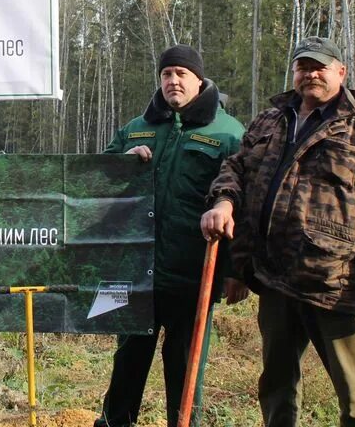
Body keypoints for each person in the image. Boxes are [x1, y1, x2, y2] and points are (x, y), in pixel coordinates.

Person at [200, 36, 355, 427]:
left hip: (336, 284)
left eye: (320, 67)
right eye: (303, 66)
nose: (310, 74)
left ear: (341, 72)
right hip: (274, 278)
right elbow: (236, 171)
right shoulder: (271, 120)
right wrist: (225, 206)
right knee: (276, 388)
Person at [95, 45, 245, 427]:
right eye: (166, 75)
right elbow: (96, 180)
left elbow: (244, 203)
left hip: (192, 275)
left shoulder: (228, 134)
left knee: (185, 367)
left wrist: (237, 269)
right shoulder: (136, 128)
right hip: (137, 274)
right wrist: (121, 162)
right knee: (128, 361)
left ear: (199, 79)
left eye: (181, 74)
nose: (173, 81)